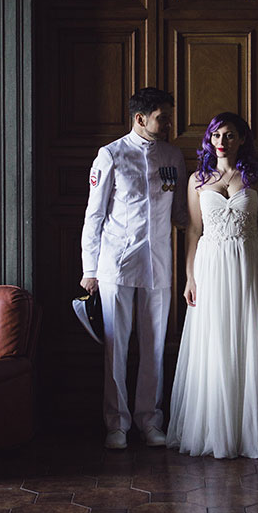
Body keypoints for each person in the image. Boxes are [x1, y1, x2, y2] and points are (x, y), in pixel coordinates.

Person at [166, 112, 258, 459]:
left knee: (251, 337)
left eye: (229, 135)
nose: (222, 141)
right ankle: (216, 428)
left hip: (251, 261)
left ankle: (251, 430)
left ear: (241, 139)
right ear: (209, 140)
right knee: (215, 341)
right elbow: (194, 231)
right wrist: (189, 278)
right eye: (216, 135)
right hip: (210, 265)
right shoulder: (198, 179)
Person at [80, 88, 187, 449]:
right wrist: (89, 268)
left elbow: (181, 214)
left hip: (159, 263)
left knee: (154, 345)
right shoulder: (110, 155)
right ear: (140, 119)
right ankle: (117, 423)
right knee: (116, 347)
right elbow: (93, 215)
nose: (169, 122)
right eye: (163, 117)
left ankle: (150, 420)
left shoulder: (173, 155)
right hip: (116, 264)